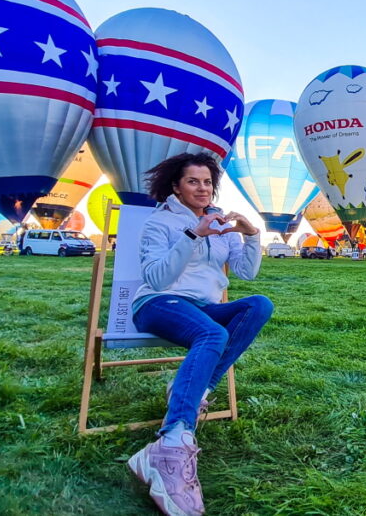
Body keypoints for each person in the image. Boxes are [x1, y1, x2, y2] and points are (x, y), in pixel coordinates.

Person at [126, 152, 272, 516]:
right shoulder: (159, 223)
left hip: (202, 307)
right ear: (176, 186)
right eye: (193, 181)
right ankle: (173, 440)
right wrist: (193, 235)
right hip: (158, 304)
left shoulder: (220, 222)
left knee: (258, 304)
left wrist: (251, 235)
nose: (203, 188)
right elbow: (156, 278)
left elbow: (246, 273)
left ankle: (195, 389)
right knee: (212, 335)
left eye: (207, 182)